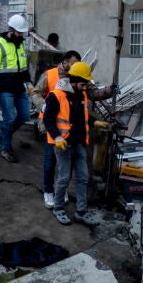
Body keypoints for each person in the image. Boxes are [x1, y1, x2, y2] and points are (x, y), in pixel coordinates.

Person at [42, 61, 102, 225]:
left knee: (83, 178)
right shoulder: (56, 96)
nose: (85, 87)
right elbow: (47, 120)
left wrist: (94, 122)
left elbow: (83, 117)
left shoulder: (81, 95)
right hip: (63, 145)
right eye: (83, 83)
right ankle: (58, 208)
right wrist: (57, 137)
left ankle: (81, 212)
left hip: (79, 144)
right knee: (64, 178)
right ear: (74, 80)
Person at [32, 50, 81, 208]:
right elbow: (36, 93)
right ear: (65, 62)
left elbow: (90, 93)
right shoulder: (50, 75)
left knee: (64, 162)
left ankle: (60, 189)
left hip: (67, 129)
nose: (75, 67)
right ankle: (48, 191)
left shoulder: (75, 78)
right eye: (73, 64)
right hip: (49, 125)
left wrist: (111, 91)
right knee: (50, 159)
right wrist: (44, 105)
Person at [0, 14, 32, 162]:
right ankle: (6, 148)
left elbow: (23, 66)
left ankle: (2, 134)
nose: (21, 35)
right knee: (9, 118)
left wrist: (29, 82)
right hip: (4, 89)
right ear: (11, 30)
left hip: (19, 87)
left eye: (22, 33)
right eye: (19, 32)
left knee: (24, 115)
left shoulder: (21, 44)